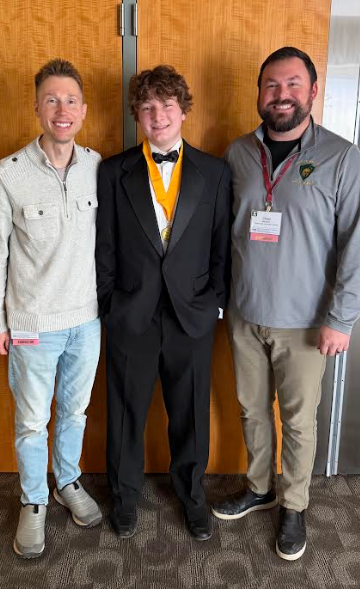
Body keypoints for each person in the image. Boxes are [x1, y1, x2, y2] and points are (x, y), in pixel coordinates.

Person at [212, 47, 360, 561]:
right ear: (260, 93)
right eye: (272, 86)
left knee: (299, 421)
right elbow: (223, 234)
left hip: (307, 323)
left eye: (292, 85)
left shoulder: (342, 157)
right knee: (251, 409)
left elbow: (358, 241)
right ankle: (259, 488)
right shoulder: (237, 154)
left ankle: (294, 505)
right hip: (244, 313)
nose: (281, 96)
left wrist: (341, 318)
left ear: (312, 92)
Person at [96, 65, 231, 541]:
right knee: (125, 414)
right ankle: (125, 497)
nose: (158, 116)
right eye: (148, 107)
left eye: (167, 106)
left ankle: (193, 498)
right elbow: (105, 248)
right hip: (131, 314)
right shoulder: (113, 172)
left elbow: (221, 246)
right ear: (137, 113)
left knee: (191, 414)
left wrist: (213, 301)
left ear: (183, 111)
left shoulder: (214, 172)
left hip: (191, 314)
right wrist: (110, 305)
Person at [0, 58, 102, 558]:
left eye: (70, 100)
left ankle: (67, 482)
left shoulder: (99, 167)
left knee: (75, 411)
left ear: (83, 109)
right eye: (51, 99)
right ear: (36, 107)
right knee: (32, 422)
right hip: (31, 325)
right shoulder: (7, 174)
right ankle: (33, 502)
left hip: (87, 321)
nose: (62, 109)